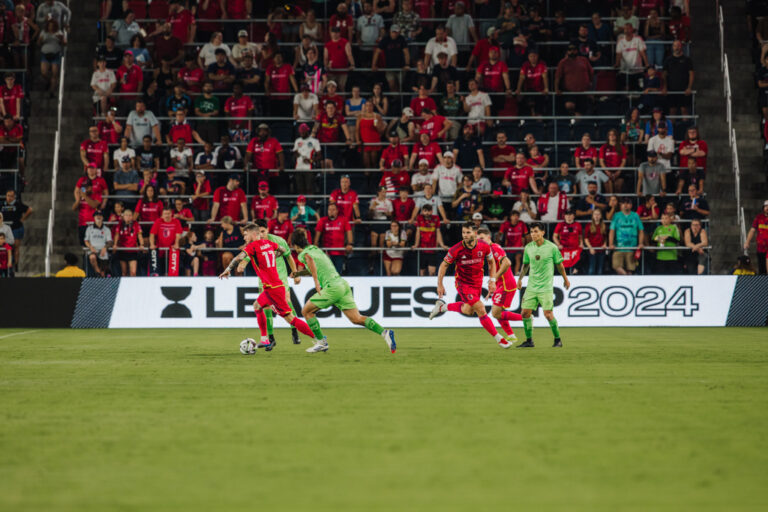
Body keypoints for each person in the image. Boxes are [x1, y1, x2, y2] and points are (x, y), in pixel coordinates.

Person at [288, 229, 397, 353]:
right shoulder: (315, 249)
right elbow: (313, 267)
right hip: (342, 285)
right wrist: (298, 273)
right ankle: (385, 333)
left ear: (294, 244)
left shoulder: (303, 254)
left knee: (306, 311)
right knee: (356, 318)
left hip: (332, 287)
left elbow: (309, 261)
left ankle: (321, 342)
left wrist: (316, 281)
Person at [219, 224, 318, 352]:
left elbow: (239, 257)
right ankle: (265, 339)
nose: (244, 238)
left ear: (252, 234)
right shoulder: (269, 243)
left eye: (245, 234)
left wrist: (228, 270)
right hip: (272, 287)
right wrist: (271, 255)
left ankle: (319, 339)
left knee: (290, 319)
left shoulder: (252, 246)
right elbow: (283, 250)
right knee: (257, 306)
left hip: (273, 289)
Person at [428, 222, 510, 347]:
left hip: (477, 283)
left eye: (468, 232)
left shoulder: (484, 246)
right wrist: (440, 284)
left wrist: (492, 280)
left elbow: (492, 262)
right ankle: (500, 339)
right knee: (481, 309)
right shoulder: (456, 249)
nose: (465, 235)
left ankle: (441, 307)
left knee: (468, 310)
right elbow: (444, 265)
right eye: (463, 233)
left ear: (475, 233)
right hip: (463, 284)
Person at [236, 219, 301, 346]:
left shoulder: (278, 241)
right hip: (264, 280)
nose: (260, 234)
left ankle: (294, 331)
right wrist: (242, 264)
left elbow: (288, 256)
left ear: (268, 230)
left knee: (287, 301)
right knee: (266, 308)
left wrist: (295, 273)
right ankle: (270, 338)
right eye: (258, 232)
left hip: (280, 278)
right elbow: (246, 258)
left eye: (263, 231)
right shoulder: (254, 245)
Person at [514, 222, 570, 348]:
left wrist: (565, 279)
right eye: (531, 232)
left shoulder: (552, 247)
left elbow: (559, 265)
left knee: (548, 314)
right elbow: (526, 264)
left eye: (536, 231)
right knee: (524, 313)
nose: (533, 234)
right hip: (532, 286)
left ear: (543, 232)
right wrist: (520, 279)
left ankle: (557, 340)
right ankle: (529, 341)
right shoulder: (529, 247)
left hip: (546, 287)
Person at [476, 227, 522, 342]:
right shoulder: (487, 250)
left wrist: (495, 277)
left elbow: (507, 263)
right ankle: (511, 335)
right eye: (478, 240)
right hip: (500, 284)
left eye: (482, 238)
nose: (480, 242)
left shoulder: (494, 248)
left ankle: (526, 318)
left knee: (496, 312)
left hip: (506, 283)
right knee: (497, 312)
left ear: (488, 237)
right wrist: (492, 283)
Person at [609, 198, 644, 275]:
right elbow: (612, 230)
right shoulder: (616, 215)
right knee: (616, 266)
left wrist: (640, 243)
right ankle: (627, 278)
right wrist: (611, 243)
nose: (625, 205)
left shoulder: (635, 216)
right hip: (618, 247)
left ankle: (628, 284)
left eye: (627, 203)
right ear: (621, 205)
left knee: (630, 269)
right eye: (623, 203)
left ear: (631, 205)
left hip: (632, 248)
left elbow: (641, 230)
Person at [315, 203, 353, 273]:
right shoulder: (322, 220)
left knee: (338, 273)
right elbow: (317, 234)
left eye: (333, 209)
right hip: (327, 252)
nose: (331, 211)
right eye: (329, 210)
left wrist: (350, 244)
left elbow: (349, 232)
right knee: (328, 273)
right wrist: (315, 244)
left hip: (339, 252)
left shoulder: (343, 220)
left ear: (337, 211)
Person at [412, 203, 447, 275]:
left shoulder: (436, 218)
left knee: (432, 272)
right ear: (422, 212)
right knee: (422, 272)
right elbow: (418, 233)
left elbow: (438, 232)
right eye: (425, 211)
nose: (427, 213)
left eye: (429, 211)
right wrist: (416, 244)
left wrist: (442, 245)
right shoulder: (419, 218)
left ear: (431, 211)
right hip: (422, 249)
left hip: (432, 249)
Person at [1, 189, 31, 269]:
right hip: (5, 230)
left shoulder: (18, 205)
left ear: (14, 197)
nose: (9, 198)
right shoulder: (2, 205)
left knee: (15, 247)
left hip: (16, 228)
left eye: (11, 196)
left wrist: (23, 219)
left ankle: (16, 264)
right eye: (8, 196)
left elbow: (29, 210)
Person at [292, 123, 321, 195]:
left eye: (303, 132)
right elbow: (294, 152)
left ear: (307, 131)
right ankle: (301, 204)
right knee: (300, 188)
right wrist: (296, 153)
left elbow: (319, 155)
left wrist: (311, 160)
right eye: (300, 132)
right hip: (298, 168)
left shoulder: (314, 141)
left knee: (309, 188)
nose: (301, 133)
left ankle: (310, 204)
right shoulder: (297, 140)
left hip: (309, 168)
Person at [113, 208, 143, 276]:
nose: (128, 217)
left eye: (130, 215)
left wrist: (141, 244)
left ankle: (133, 286)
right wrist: (115, 244)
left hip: (133, 251)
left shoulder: (135, 223)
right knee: (124, 273)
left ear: (132, 216)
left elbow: (139, 235)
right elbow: (117, 234)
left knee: (133, 273)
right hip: (122, 250)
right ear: (123, 216)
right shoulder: (120, 223)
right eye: (126, 215)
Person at [744, 199, 768, 274]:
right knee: (762, 269)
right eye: (766, 206)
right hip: (761, 247)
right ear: (763, 208)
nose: (767, 208)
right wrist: (747, 242)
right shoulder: (759, 218)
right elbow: (752, 230)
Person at [584, 209, 607, 275]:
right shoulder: (589, 225)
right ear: (592, 216)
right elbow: (586, 239)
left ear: (601, 216)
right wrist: (590, 248)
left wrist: (605, 244)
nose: (597, 216)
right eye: (595, 214)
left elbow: (605, 237)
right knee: (592, 269)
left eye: (598, 214)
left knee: (600, 270)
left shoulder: (604, 226)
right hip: (592, 250)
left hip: (601, 250)